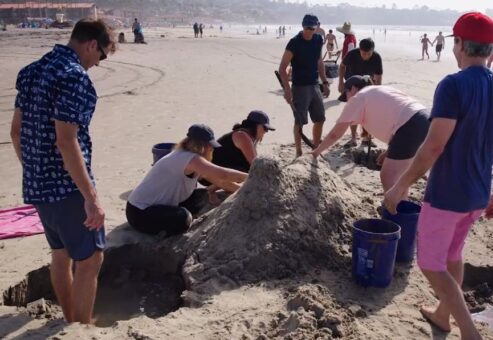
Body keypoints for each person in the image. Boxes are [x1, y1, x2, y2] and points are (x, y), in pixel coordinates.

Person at [384, 12, 493, 339]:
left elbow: (433, 147)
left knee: (431, 264)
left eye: (454, 42)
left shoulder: (453, 85)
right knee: (452, 254)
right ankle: (443, 315)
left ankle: (469, 332)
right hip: (477, 193)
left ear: (459, 44)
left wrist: (399, 186)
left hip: (448, 195)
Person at [10, 19, 115, 324]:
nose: (98, 62)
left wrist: (35, 170)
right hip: (66, 187)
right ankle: (80, 327)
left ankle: (71, 319)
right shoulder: (74, 77)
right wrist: (91, 196)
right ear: (91, 44)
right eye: (103, 54)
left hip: (37, 183)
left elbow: (16, 132)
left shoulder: (30, 71)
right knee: (91, 258)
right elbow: (66, 141)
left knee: (60, 252)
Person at [312, 75, 429, 194]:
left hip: (409, 125)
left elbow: (335, 134)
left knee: (389, 176)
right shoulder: (380, 90)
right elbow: (399, 114)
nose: (347, 100)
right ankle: (400, 206)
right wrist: (390, 152)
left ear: (352, 89)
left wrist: (316, 152)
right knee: (400, 176)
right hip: (426, 118)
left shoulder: (358, 98)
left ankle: (396, 210)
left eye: (346, 95)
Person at [126, 124, 248, 236]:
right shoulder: (187, 158)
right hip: (139, 212)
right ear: (200, 146)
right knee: (183, 218)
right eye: (210, 146)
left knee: (202, 196)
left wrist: (246, 191)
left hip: (160, 205)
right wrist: (253, 175)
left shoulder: (191, 158)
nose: (212, 149)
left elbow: (220, 182)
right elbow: (223, 175)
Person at [278, 14, 330, 157]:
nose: (309, 31)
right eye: (306, 27)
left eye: (312, 28)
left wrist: (324, 82)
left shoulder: (318, 39)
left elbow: (319, 61)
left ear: (316, 27)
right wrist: (287, 90)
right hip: (299, 86)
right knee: (299, 121)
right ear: (302, 26)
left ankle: (316, 148)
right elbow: (282, 68)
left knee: (320, 119)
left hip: (314, 84)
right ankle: (299, 152)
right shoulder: (294, 43)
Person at [338, 38, 383, 147]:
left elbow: (378, 76)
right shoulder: (352, 54)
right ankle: (353, 138)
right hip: (352, 84)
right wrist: (340, 82)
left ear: (373, 50)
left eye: (368, 54)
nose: (366, 56)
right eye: (363, 53)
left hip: (368, 84)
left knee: (368, 113)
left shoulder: (376, 57)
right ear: (360, 50)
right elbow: (342, 66)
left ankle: (366, 138)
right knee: (353, 112)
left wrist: (377, 91)